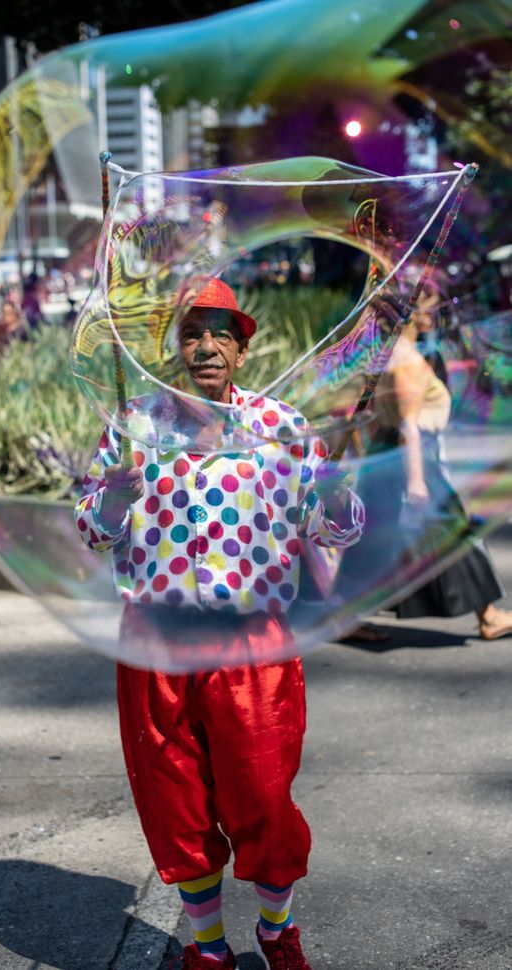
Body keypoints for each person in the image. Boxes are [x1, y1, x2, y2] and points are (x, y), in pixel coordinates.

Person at [74, 278, 364, 969]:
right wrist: (113, 499)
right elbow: (90, 529)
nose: (206, 346)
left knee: (263, 799)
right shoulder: (132, 427)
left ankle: (275, 931)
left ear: (241, 348)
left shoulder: (280, 428)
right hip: (155, 640)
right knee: (174, 802)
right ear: (175, 347)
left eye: (220, 334)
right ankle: (208, 949)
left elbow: (335, 531)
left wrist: (337, 493)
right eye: (193, 333)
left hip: (251, 645)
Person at [340, 282, 512, 643]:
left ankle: (344, 617)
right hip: (411, 461)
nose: (431, 314)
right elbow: (408, 427)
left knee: (372, 540)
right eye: (425, 307)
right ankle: (489, 615)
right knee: (455, 534)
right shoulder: (406, 362)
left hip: (388, 458)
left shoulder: (386, 354)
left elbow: (371, 414)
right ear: (409, 314)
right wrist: (417, 482)